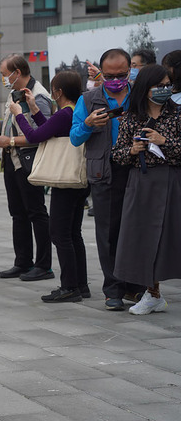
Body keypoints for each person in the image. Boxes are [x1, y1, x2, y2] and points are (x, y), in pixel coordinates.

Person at [70, 48, 144, 310]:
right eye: (110, 75)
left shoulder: (140, 95)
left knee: (137, 230)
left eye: (122, 74)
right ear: (101, 72)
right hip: (105, 170)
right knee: (108, 232)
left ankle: (137, 287)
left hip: (138, 168)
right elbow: (75, 137)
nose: (116, 80)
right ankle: (113, 288)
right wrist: (88, 123)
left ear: (129, 72)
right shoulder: (89, 99)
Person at [0, 54, 54, 282]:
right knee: (18, 214)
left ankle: (44, 265)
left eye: (3, 73)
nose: (2, 78)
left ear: (16, 72)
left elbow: (42, 135)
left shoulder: (37, 96)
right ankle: (23, 262)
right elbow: (8, 128)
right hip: (13, 161)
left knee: (37, 213)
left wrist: (8, 142)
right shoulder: (14, 94)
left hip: (29, 162)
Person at [14, 71, 90, 303]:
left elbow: (36, 136)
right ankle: (80, 285)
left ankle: (69, 286)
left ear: (58, 92)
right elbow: (50, 130)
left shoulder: (66, 112)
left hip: (64, 179)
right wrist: (34, 110)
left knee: (59, 234)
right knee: (73, 233)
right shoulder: (76, 110)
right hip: (77, 178)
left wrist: (19, 115)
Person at [111, 64, 179, 315]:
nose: (164, 89)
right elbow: (117, 155)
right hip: (141, 181)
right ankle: (152, 294)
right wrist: (132, 150)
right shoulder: (131, 117)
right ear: (145, 87)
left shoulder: (177, 115)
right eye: (159, 85)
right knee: (141, 239)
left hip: (172, 181)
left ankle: (154, 293)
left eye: (167, 84)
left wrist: (165, 141)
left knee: (169, 238)